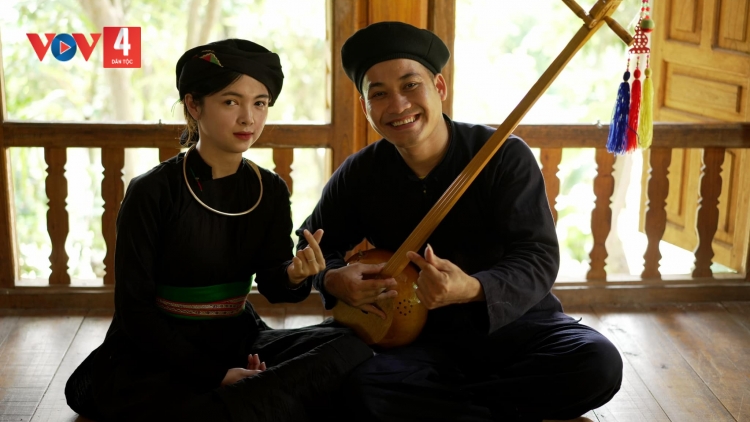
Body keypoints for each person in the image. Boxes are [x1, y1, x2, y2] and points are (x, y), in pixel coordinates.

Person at [296, 22, 623, 422]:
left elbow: (537, 256)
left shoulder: (503, 156)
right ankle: (505, 409)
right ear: (366, 107)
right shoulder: (360, 173)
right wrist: (333, 279)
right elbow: (311, 245)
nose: (397, 105)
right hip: (417, 340)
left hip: (516, 328)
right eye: (378, 94)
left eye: (410, 85)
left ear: (439, 87)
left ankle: (447, 410)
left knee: (597, 363)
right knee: (363, 386)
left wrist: (471, 288)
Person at [65, 39, 372, 422]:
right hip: (159, 350)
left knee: (350, 345)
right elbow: (135, 312)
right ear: (194, 106)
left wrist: (295, 274)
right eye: (231, 102)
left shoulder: (270, 189)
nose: (248, 118)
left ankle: (242, 399)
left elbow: (275, 287)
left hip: (237, 337)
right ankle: (248, 397)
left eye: (260, 103)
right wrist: (218, 375)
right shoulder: (152, 191)